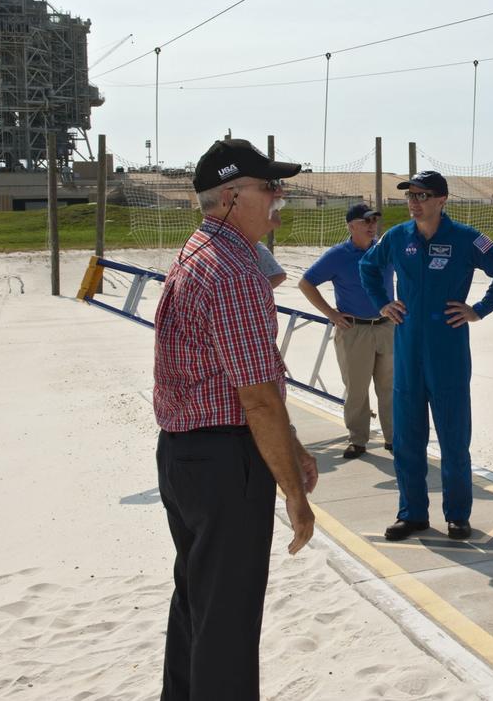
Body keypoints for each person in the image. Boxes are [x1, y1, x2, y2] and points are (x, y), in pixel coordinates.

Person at [152, 138, 319, 701]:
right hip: (225, 463)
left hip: (184, 456)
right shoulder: (234, 271)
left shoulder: (199, 251)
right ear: (230, 196)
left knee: (198, 604)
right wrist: (293, 491)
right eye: (269, 187)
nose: (279, 198)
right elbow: (259, 399)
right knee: (227, 620)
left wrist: (291, 444)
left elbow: (254, 379)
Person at [360, 170, 493, 541]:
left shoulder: (466, 239)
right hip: (409, 350)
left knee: (453, 437)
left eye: (423, 195)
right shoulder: (398, 237)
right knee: (406, 438)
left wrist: (478, 309)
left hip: (448, 350)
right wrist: (383, 304)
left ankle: (457, 514)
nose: (415, 203)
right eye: (410, 196)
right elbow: (368, 267)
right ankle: (412, 512)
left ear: (442, 200)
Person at [298, 202, 395, 459]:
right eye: (366, 221)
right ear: (351, 226)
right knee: (357, 389)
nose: (372, 226)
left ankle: (394, 438)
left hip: (387, 328)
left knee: (390, 387)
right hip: (354, 331)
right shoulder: (337, 255)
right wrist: (330, 314)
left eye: (374, 221)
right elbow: (306, 283)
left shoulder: (385, 250)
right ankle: (358, 439)